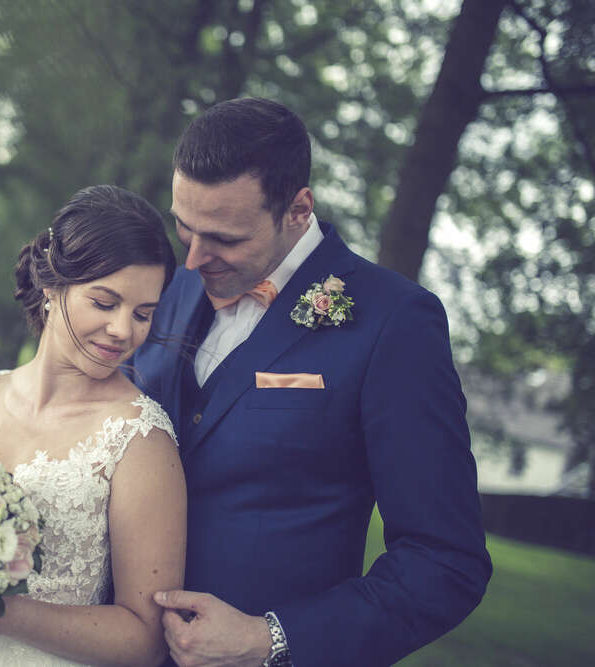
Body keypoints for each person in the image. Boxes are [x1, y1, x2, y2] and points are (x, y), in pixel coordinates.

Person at [132, 98, 492, 667]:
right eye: (184, 227)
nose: (196, 258)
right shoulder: (165, 289)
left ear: (299, 209)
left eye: (224, 238)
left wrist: (270, 639)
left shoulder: (393, 322)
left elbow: (445, 560)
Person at [0, 185, 187, 666]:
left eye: (142, 314)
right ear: (53, 287)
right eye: (104, 302)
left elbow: (146, 639)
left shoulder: (139, 439)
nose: (123, 330)